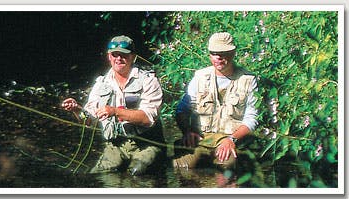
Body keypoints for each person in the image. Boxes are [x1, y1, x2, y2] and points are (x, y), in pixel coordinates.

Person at [61, 35, 164, 176]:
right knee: (99, 174)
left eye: (124, 55)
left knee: (137, 174)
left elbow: (147, 118)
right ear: (109, 57)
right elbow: (89, 120)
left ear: (133, 57)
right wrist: (77, 109)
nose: (119, 59)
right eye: (115, 55)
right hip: (116, 144)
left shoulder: (148, 80)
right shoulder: (101, 84)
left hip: (147, 143)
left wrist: (115, 111)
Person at [173, 32, 258, 170]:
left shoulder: (249, 80)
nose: (218, 57)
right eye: (214, 53)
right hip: (201, 140)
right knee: (181, 167)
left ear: (233, 53)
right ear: (209, 54)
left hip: (229, 141)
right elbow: (182, 110)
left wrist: (232, 140)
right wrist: (187, 131)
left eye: (223, 53)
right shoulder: (199, 77)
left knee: (227, 170)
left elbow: (252, 119)